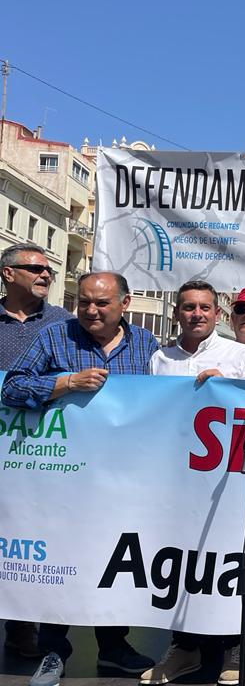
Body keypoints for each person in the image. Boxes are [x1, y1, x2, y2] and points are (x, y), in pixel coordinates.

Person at [2, 272, 158, 686]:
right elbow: (11, 388)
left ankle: (114, 648)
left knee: (114, 564)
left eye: (101, 303)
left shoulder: (146, 344)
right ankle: (54, 652)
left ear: (124, 304)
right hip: (64, 481)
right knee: (63, 562)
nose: (90, 310)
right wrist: (65, 383)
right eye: (84, 301)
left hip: (126, 480)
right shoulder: (54, 337)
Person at [142, 281, 245, 686]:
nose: (197, 314)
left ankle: (233, 645)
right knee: (181, 561)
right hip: (176, 481)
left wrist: (225, 389)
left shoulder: (243, 357)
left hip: (227, 480)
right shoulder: (160, 358)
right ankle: (185, 646)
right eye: (189, 307)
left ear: (217, 314)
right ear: (177, 312)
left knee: (226, 560)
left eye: (205, 308)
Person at [0, 243, 72, 660]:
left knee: (35, 533)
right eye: (36, 269)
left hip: (46, 450)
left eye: (49, 271)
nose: (46, 276)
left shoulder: (64, 322)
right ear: (8, 274)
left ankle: (25, 624)